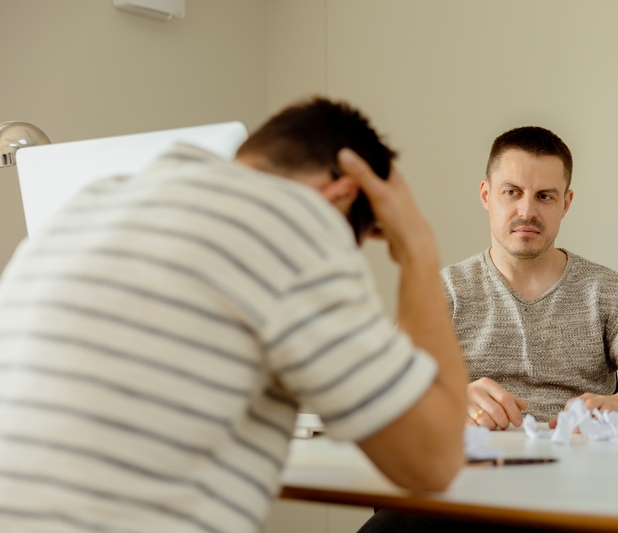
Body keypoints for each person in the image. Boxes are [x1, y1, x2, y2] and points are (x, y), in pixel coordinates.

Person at [0, 98, 468, 533]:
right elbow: (433, 462)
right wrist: (418, 248)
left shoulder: (88, 206)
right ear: (343, 192)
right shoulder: (293, 225)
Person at [441, 126, 618, 431]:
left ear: (565, 204)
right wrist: (448, 401)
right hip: (475, 469)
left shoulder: (608, 293)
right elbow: (383, 387)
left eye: (545, 196)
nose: (527, 211)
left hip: (586, 466)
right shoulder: (441, 292)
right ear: (486, 195)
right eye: (511, 192)